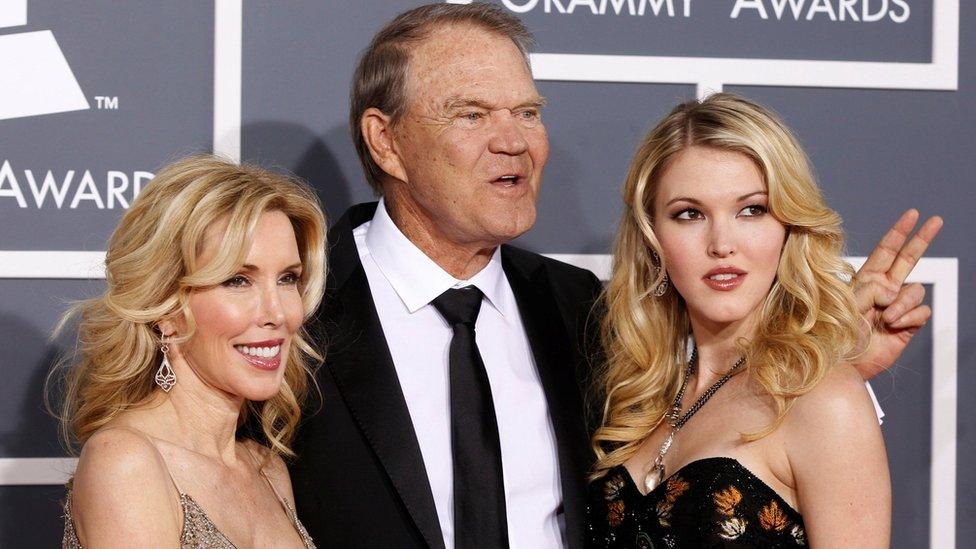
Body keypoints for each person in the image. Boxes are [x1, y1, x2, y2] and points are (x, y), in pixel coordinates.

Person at [289, 4, 939, 549]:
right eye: (472, 114)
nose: (514, 140)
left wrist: (829, 363)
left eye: (528, 111)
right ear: (386, 141)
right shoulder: (291, 314)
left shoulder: (576, 313)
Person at [586, 94, 942, 547]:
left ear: (788, 228)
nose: (721, 243)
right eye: (689, 214)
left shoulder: (823, 400)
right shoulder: (636, 398)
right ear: (653, 236)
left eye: (751, 209)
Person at [52, 155, 327, 548]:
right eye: (237, 280)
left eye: (288, 279)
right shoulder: (126, 462)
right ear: (166, 308)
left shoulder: (267, 469)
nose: (278, 313)